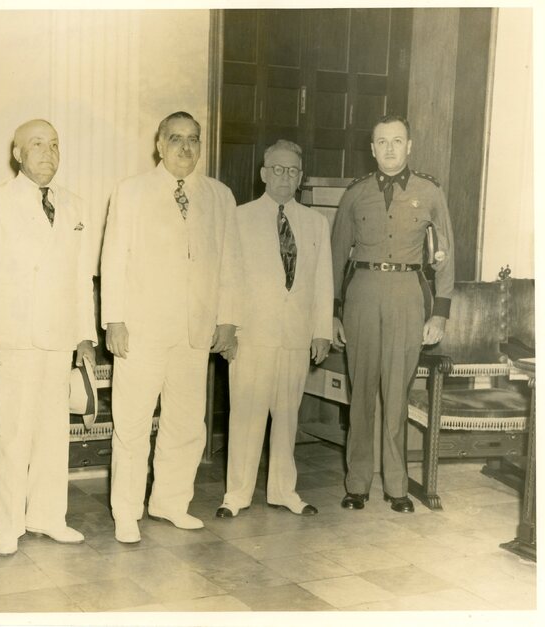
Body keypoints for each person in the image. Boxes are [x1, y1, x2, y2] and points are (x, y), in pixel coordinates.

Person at [101, 111, 242, 544]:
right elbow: (114, 258)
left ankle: (170, 502)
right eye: (176, 138)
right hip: (141, 331)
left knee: (186, 424)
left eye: (193, 139)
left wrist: (228, 320)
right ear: (159, 144)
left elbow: (230, 262)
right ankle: (126, 512)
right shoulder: (131, 191)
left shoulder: (219, 196)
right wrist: (114, 320)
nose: (185, 147)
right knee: (132, 424)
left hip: (194, 332)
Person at [0, 119, 96, 556]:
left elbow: (81, 277)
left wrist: (85, 334)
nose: (48, 153)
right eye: (37, 144)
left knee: (53, 432)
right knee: (12, 433)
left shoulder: (74, 206)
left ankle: (48, 516)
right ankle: (10, 525)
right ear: (17, 153)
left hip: (59, 336)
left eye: (54, 145)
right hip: (13, 337)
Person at [331, 114, 454, 514]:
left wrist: (440, 314)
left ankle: (397, 487)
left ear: (409, 146)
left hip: (407, 295)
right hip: (362, 297)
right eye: (381, 141)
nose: (389, 148)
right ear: (372, 148)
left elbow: (445, 256)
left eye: (397, 141)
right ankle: (357, 484)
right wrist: (334, 312)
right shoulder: (356, 193)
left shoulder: (429, 192)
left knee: (397, 395)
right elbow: (336, 255)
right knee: (361, 392)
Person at [217, 140, 332, 520]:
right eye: (278, 169)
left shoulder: (316, 223)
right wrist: (229, 328)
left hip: (295, 336)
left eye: (292, 171)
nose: (285, 177)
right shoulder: (239, 217)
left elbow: (323, 281)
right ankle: (237, 494)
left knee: (287, 418)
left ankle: (284, 491)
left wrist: (321, 331)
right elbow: (228, 279)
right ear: (264, 174)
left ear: (301, 178)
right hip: (252, 336)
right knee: (246, 417)